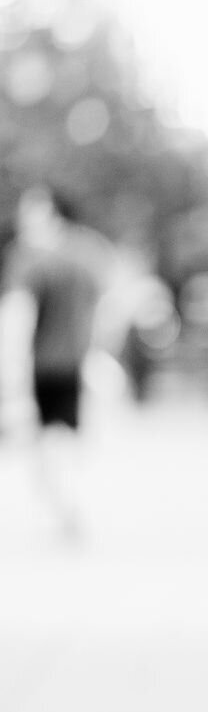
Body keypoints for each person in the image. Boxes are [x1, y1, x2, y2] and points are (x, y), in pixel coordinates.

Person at [0, 185, 110, 538]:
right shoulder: (90, 250)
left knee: (44, 443)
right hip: (78, 362)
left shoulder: (29, 257)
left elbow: (17, 317)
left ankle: (66, 508)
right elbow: (107, 305)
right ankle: (70, 507)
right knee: (66, 440)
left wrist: (11, 373)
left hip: (42, 367)